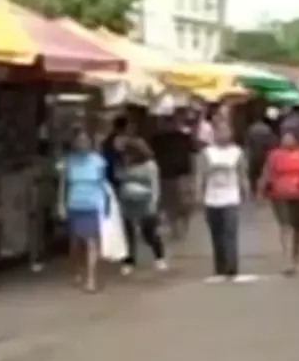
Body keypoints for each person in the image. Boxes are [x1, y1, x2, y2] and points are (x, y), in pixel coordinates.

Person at [259, 130, 299, 276]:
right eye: (285, 138)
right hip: (280, 195)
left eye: (291, 138)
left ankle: (296, 258)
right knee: (285, 226)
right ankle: (287, 260)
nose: (287, 141)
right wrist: (261, 189)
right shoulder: (274, 155)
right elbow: (267, 172)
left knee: (298, 229)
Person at [196, 123, 250, 282]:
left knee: (230, 232)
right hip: (212, 198)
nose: (223, 134)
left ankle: (231, 266)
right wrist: (199, 193)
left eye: (226, 131)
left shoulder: (237, 152)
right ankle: (220, 265)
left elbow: (242, 174)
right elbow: (200, 175)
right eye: (220, 131)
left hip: (231, 197)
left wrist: (246, 191)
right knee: (217, 234)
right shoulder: (207, 153)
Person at [58, 129, 109, 293]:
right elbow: (63, 185)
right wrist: (61, 204)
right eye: (79, 141)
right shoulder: (69, 161)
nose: (82, 143)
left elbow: (103, 183)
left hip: (93, 204)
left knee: (91, 241)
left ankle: (91, 279)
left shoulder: (98, 161)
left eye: (85, 140)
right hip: (74, 203)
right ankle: (78, 270)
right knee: (76, 243)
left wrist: (106, 204)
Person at [116, 138, 167, 276]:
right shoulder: (125, 164)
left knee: (148, 232)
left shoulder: (150, 166)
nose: (126, 156)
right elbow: (121, 179)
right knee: (128, 233)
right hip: (128, 201)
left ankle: (159, 257)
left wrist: (153, 203)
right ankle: (129, 261)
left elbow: (155, 185)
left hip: (145, 201)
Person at [150, 115, 196, 240]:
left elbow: (192, 153)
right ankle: (175, 227)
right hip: (166, 175)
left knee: (185, 203)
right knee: (170, 204)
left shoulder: (184, 137)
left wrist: (193, 175)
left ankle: (183, 224)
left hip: (182, 174)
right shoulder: (157, 139)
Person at [245, 115, 277, 194]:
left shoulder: (251, 128)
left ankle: (253, 189)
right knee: (263, 172)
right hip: (264, 153)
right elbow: (272, 141)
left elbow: (247, 142)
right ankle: (262, 190)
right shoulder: (267, 129)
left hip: (253, 153)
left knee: (253, 173)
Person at [101, 116, 129, 187]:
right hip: (114, 170)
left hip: (108, 168)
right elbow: (119, 154)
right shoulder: (118, 138)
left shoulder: (110, 137)